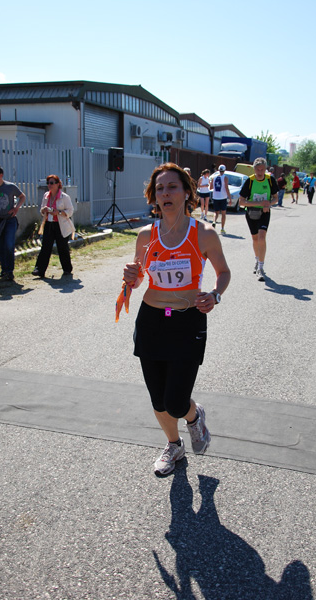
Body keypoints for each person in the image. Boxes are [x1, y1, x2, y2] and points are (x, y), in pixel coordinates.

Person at [122, 163, 231, 476]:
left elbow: (224, 273)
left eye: (172, 187)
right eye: (159, 188)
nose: (165, 193)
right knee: (159, 399)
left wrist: (215, 295)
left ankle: (194, 417)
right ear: (153, 196)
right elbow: (139, 279)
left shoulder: (203, 234)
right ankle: (174, 445)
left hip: (188, 322)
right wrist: (131, 277)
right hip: (151, 321)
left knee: (176, 400)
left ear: (187, 193)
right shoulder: (146, 235)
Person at [239, 157, 278, 281]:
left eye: (262, 169)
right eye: (258, 170)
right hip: (251, 213)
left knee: (262, 237)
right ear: (254, 169)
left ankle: (261, 267)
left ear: (265, 169)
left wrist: (268, 204)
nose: (260, 172)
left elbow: (276, 198)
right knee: (255, 238)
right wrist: (258, 203)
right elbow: (241, 202)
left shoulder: (270, 179)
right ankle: (257, 260)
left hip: (264, 212)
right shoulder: (249, 181)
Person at [32, 174, 75, 277]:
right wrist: (44, 210)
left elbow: (70, 211)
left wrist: (58, 212)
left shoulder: (64, 197)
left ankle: (67, 269)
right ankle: (39, 270)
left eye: (51, 183)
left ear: (57, 184)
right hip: (49, 224)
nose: (49, 185)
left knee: (62, 247)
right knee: (46, 247)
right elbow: (42, 209)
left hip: (61, 225)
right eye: (48, 183)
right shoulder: (46, 195)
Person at [209, 164, 232, 235]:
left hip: (216, 197)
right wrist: (230, 198)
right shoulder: (225, 178)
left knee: (216, 212)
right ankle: (222, 229)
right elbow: (226, 188)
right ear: (224, 170)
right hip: (223, 197)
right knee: (223, 214)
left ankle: (214, 221)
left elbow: (211, 188)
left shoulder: (214, 177)